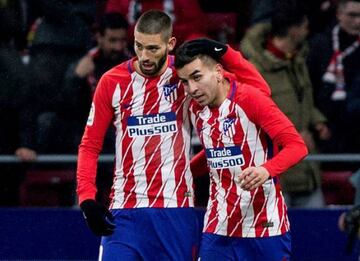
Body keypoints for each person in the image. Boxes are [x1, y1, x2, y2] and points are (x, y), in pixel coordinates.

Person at [76, 9, 273, 260]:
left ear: (170, 44)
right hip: (125, 212)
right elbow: (89, 145)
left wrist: (224, 52)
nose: (144, 56)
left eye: (153, 48)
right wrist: (86, 200)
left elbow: (260, 92)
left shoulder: (186, 77)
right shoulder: (111, 82)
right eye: (139, 46)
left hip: (175, 211)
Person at [175, 39, 308, 260]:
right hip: (218, 228)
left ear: (218, 71)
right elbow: (215, 154)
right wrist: (180, 173)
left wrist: (266, 170)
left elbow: (297, 146)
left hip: (265, 226)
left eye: (197, 77)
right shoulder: (198, 110)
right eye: (185, 82)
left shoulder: (250, 99)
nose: (192, 89)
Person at [240, 2, 330, 207]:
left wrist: (316, 121)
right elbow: (254, 115)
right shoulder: (255, 69)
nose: (308, 31)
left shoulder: (297, 61)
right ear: (293, 30)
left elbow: (303, 100)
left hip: (306, 166)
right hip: (276, 168)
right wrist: (295, 133)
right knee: (280, 231)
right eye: (305, 26)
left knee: (316, 230)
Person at [307, 0, 360, 171]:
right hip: (324, 130)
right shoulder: (320, 44)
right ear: (338, 14)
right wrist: (316, 121)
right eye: (352, 15)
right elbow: (307, 88)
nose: (358, 21)